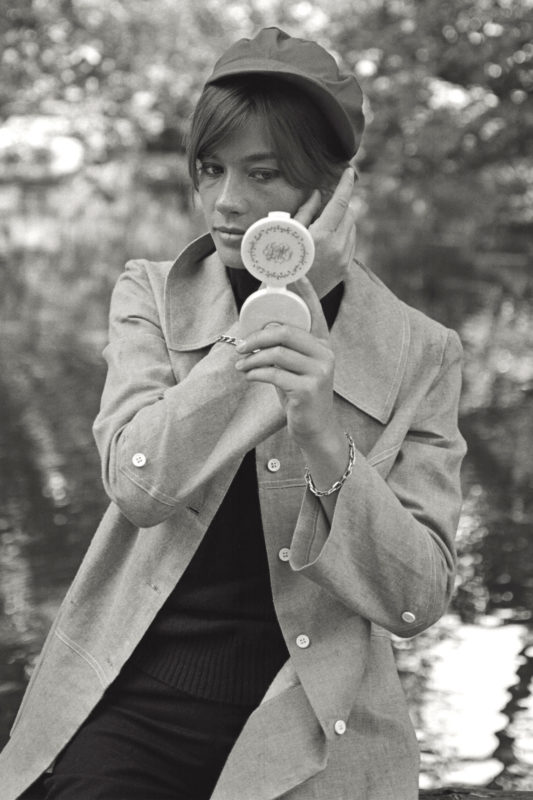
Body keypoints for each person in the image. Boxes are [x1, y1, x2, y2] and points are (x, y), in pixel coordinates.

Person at [0, 26, 466, 800]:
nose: (224, 201)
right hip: (133, 697)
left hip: (309, 722)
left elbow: (415, 600)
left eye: (264, 173)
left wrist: (325, 441)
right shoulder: (151, 293)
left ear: (332, 188)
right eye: (210, 168)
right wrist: (274, 320)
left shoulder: (421, 352)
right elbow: (137, 484)